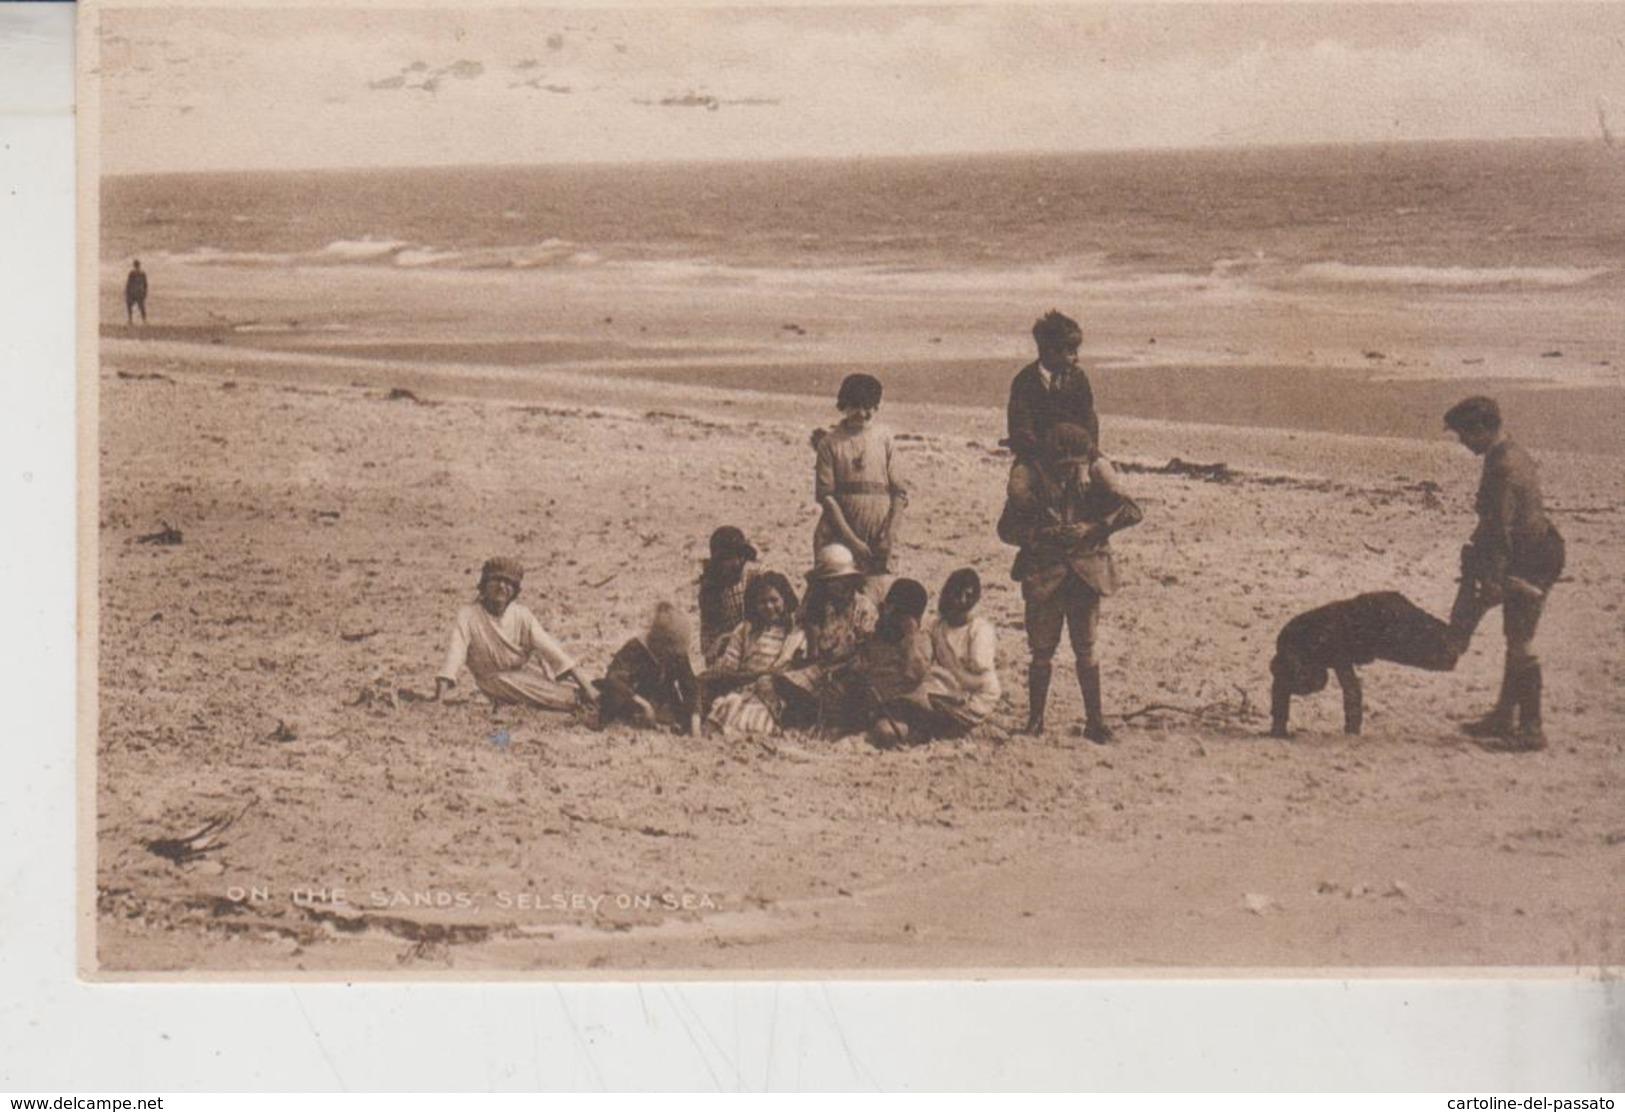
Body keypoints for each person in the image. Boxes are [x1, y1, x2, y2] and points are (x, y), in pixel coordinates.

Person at [997, 423, 1142, 742]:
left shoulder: (1095, 481)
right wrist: (1039, 535)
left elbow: (1132, 511)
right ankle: (1035, 720)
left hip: (1085, 577)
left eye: (1072, 466)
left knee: (1086, 649)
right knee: (1041, 651)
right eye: (1060, 466)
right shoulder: (1029, 484)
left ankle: (1095, 720)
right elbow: (1005, 529)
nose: (1066, 472)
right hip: (1044, 574)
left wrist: (1091, 528)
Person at [1443, 396, 1566, 750]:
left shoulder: (1503, 468)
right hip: (1536, 549)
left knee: (1520, 640)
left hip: (1532, 560)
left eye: (1464, 434)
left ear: (1482, 428)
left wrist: (1493, 581)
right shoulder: (1507, 452)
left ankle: (1531, 730)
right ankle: (1503, 716)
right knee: (1514, 635)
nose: (1462, 442)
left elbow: (1499, 530)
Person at [1268, 592, 1460, 738]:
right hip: (1379, 617)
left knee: (1448, 651)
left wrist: (1352, 730)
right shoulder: (1293, 643)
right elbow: (1281, 682)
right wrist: (1279, 725)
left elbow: (1350, 686)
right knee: (1449, 645)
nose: (1318, 686)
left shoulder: (1318, 643)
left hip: (1384, 619)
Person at [435, 557, 597, 711]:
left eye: (508, 583)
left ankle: (593, 695)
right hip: (495, 681)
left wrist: (586, 685)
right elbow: (453, 657)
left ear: (515, 590)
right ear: (484, 585)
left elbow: (551, 651)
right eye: (496, 580)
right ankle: (579, 701)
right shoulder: (468, 615)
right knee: (524, 686)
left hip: (527, 674)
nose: (502, 587)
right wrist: (439, 700)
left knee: (586, 681)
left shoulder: (521, 614)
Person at [812, 373, 910, 591]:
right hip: (840, 531)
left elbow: (899, 494)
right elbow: (826, 497)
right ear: (844, 405)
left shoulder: (885, 438)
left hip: (880, 533)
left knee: (880, 591)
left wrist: (889, 536)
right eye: (856, 406)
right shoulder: (830, 443)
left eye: (869, 407)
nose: (862, 413)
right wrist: (853, 541)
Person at [772, 543, 879, 733]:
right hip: (821, 666)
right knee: (783, 681)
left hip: (852, 669)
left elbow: (867, 650)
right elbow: (807, 638)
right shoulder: (820, 607)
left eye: (840, 580)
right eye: (830, 581)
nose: (835, 586)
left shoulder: (863, 608)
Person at [1005, 310, 1099, 504]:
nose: (1076, 358)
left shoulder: (1078, 378)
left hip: (1080, 455)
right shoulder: (1024, 382)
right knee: (1017, 492)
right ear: (1051, 352)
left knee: (1115, 491)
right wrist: (1044, 475)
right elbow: (1021, 433)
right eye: (1071, 352)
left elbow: (1090, 423)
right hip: (1036, 459)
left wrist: (1084, 465)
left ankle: (1095, 533)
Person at [703, 573, 806, 736]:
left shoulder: (795, 634)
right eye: (762, 602)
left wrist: (769, 678)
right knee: (726, 706)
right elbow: (728, 669)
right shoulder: (745, 630)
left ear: (785, 600)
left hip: (774, 695)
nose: (769, 607)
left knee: (755, 719)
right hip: (740, 690)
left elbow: (793, 672)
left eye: (774, 600)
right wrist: (758, 674)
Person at [912, 567, 1003, 739]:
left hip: (977, 694)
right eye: (957, 595)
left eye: (969, 596)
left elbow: (980, 679)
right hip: (950, 687)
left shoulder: (979, 630)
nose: (962, 601)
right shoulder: (937, 626)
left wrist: (954, 687)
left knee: (926, 709)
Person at [850, 578, 935, 748]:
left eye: (894, 614)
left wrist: (909, 638)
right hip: (876, 705)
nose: (884, 616)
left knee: (886, 732)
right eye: (884, 609)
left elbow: (914, 675)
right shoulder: (875, 639)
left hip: (904, 710)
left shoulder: (918, 643)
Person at [595, 602, 702, 735]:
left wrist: (695, 717)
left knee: (682, 717)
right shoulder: (635, 649)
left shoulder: (677, 652)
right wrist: (642, 704)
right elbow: (614, 680)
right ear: (660, 644)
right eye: (670, 653)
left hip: (661, 700)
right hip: (632, 700)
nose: (673, 656)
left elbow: (690, 685)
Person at [697, 526, 760, 667]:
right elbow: (709, 639)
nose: (736, 563)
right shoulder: (710, 589)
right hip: (726, 653)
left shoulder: (753, 577)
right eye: (729, 558)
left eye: (740, 556)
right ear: (718, 562)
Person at [124, 260, 148, 325]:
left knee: (129, 305)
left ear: (134, 265)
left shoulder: (132, 273)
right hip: (140, 291)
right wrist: (145, 293)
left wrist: (126, 292)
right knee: (141, 306)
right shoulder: (142, 273)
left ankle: (130, 320)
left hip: (133, 292)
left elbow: (129, 283)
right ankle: (144, 320)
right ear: (139, 265)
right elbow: (145, 284)